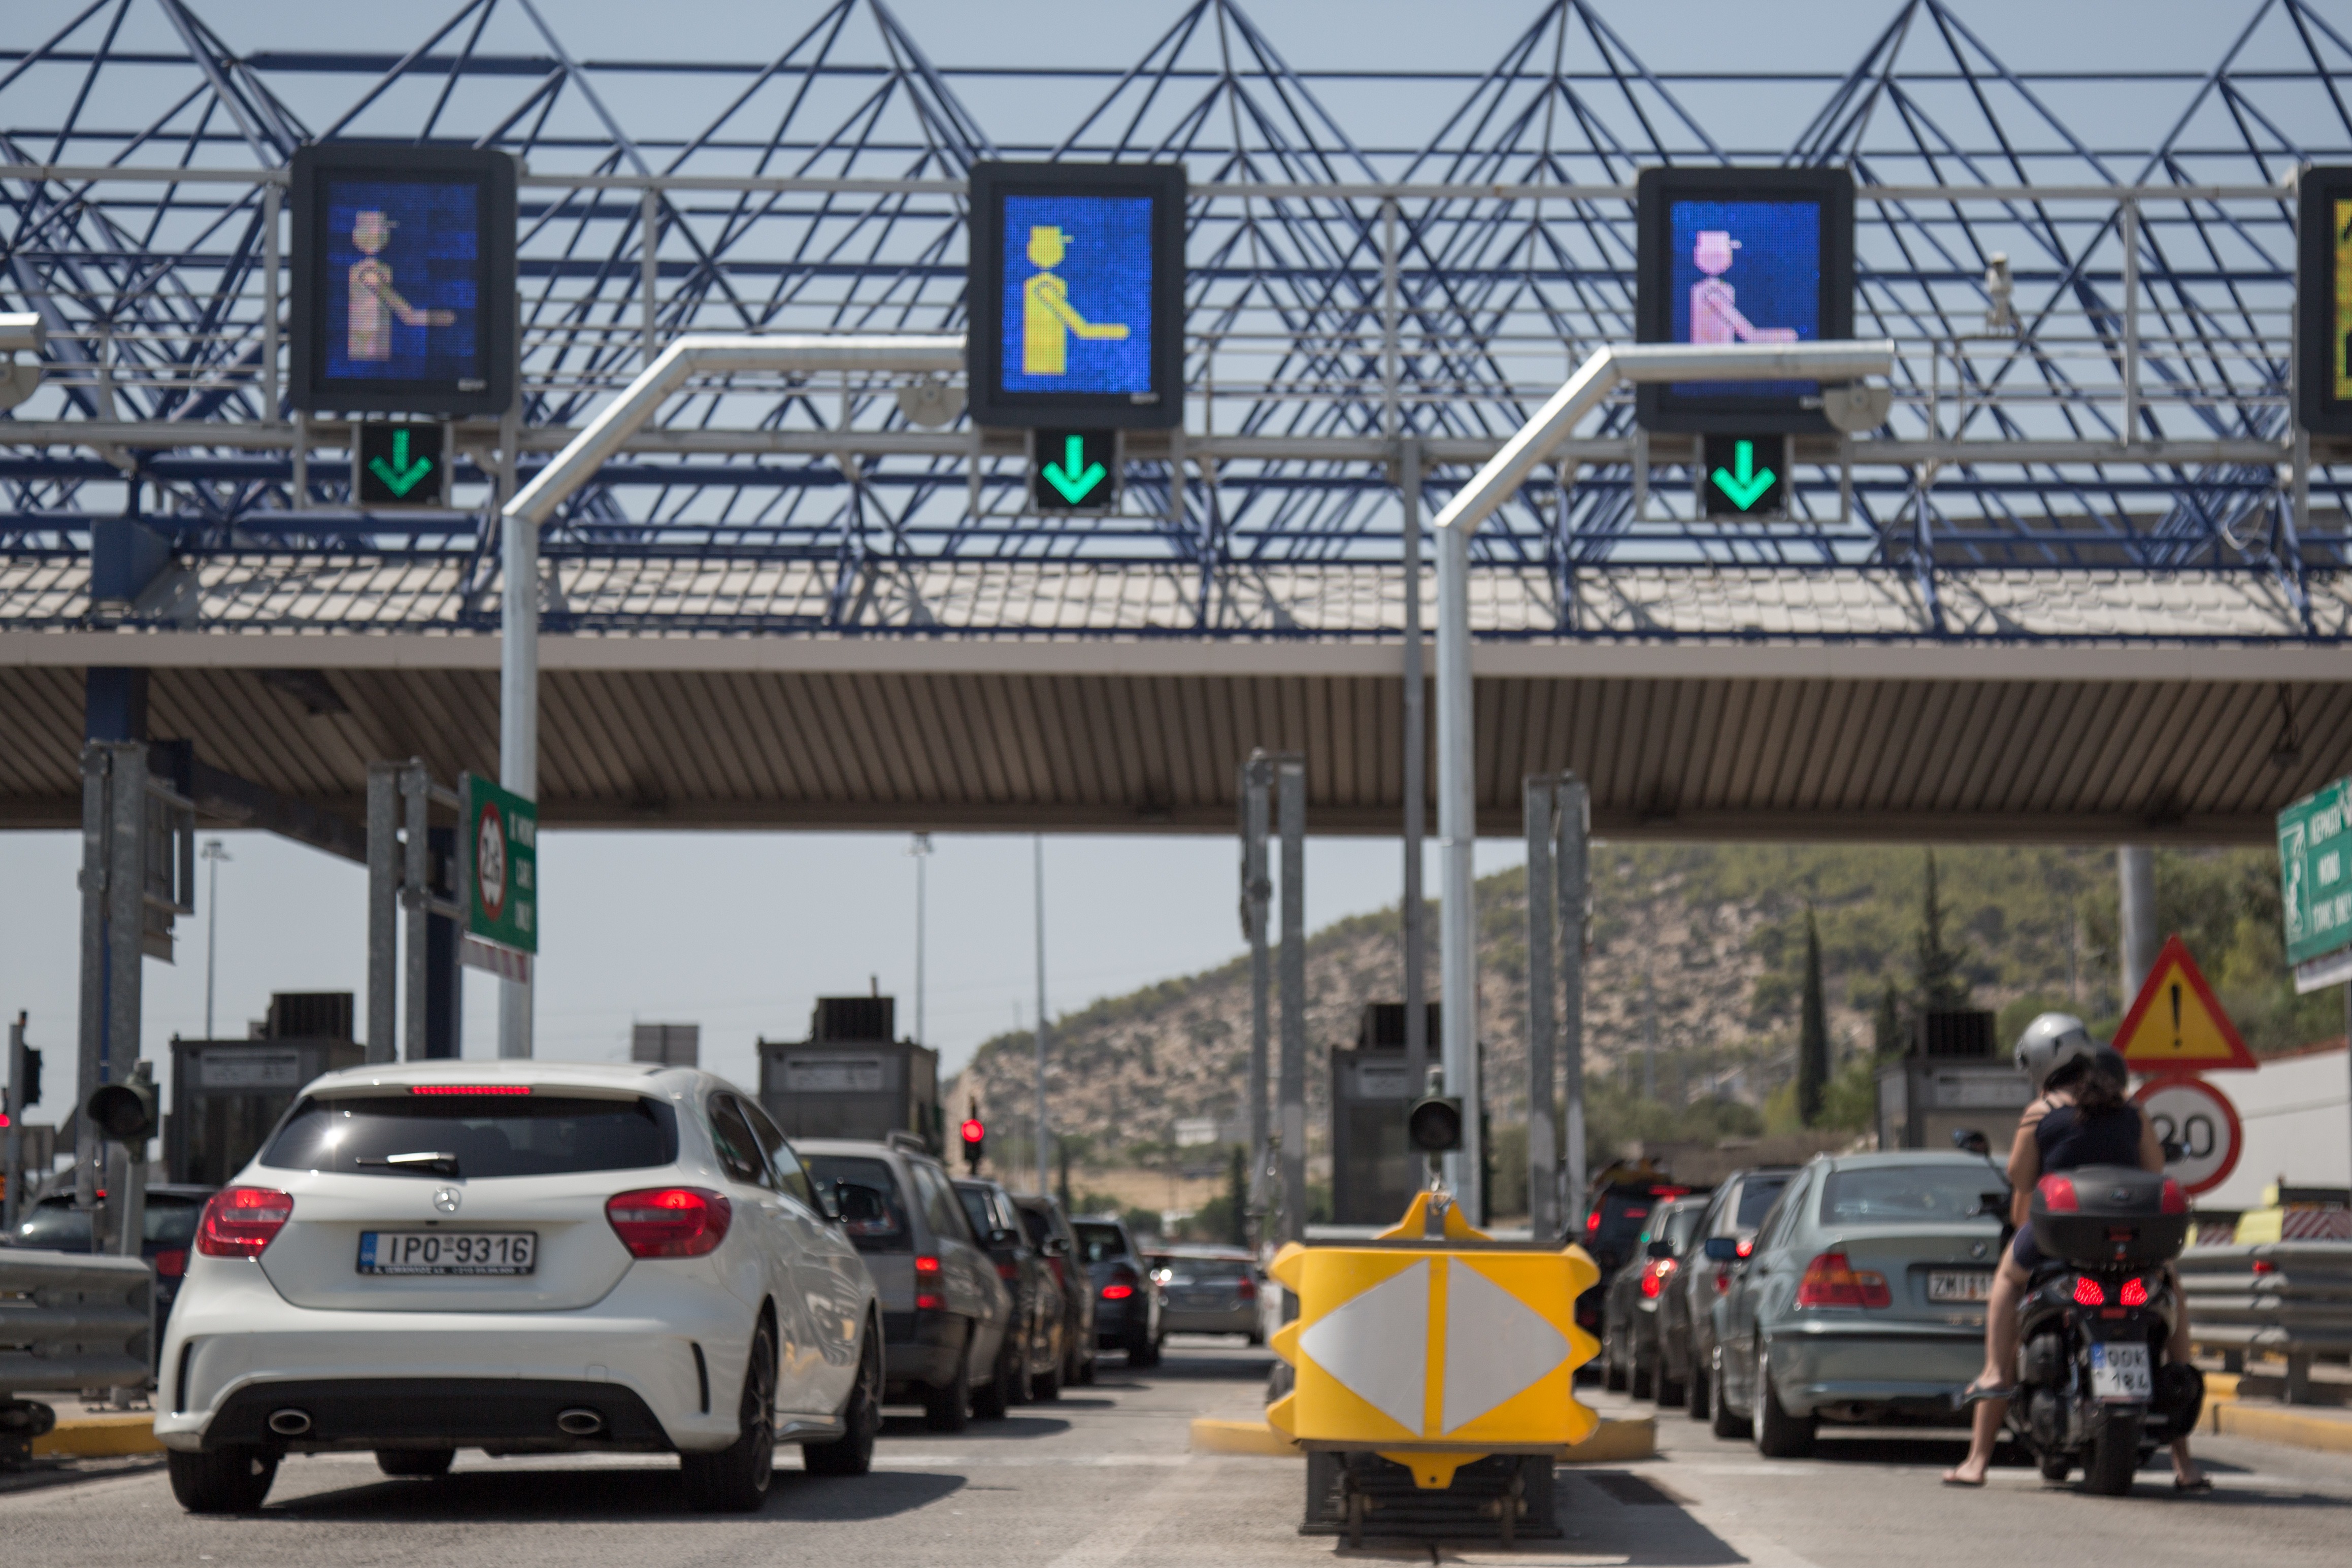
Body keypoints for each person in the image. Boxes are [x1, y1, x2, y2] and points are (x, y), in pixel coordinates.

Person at [1942, 1013, 2206, 1489]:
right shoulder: (2129, 1107)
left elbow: (2020, 1181)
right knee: (2170, 1287)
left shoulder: (2041, 1111)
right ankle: (2184, 1462)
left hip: (2063, 1240)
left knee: (2005, 1280)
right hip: (2133, 1242)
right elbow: (2155, 1167)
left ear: (2043, 1061)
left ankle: (1985, 1416)